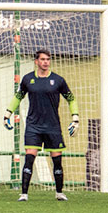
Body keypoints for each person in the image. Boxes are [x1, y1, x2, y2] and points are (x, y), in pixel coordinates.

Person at [4, 49, 79, 201]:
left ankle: (59, 192)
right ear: (36, 61)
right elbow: (18, 97)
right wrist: (7, 114)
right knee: (29, 159)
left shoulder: (58, 80)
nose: (46, 62)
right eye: (43, 59)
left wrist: (75, 118)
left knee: (57, 161)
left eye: (48, 59)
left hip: (53, 127)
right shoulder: (27, 79)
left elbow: (71, 99)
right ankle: (24, 194)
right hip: (33, 126)